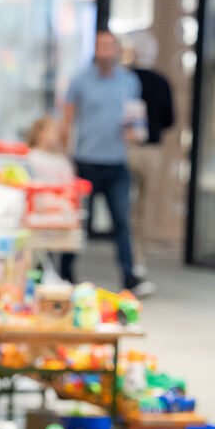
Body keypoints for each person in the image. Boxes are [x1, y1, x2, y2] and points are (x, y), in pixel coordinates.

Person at [59, 30, 153, 295]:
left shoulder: (129, 81)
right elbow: (67, 119)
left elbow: (134, 117)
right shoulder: (80, 80)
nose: (106, 51)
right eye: (101, 46)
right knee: (77, 222)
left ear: (117, 49)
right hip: (86, 162)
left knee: (122, 222)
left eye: (110, 46)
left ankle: (130, 278)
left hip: (117, 162)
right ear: (95, 49)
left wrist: (136, 133)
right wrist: (67, 157)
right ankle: (65, 273)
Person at [124, 35, 174, 278]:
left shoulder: (124, 79)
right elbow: (169, 120)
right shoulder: (160, 82)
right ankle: (137, 255)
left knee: (125, 204)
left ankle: (129, 254)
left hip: (126, 148)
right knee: (144, 205)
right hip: (150, 150)